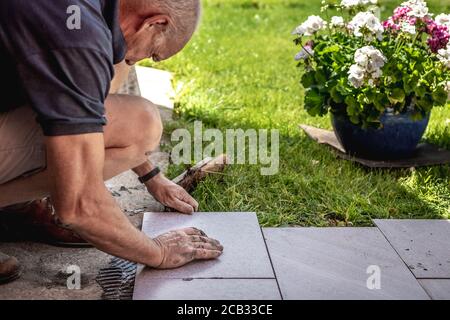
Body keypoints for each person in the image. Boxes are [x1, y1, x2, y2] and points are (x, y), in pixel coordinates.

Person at [0, 0, 223, 285]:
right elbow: (79, 205)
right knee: (143, 122)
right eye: (154, 54)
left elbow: (80, 108)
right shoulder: (79, 38)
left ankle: (12, 207)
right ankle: (15, 207)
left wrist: (151, 176)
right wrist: (158, 252)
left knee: (131, 111)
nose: (140, 59)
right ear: (155, 23)